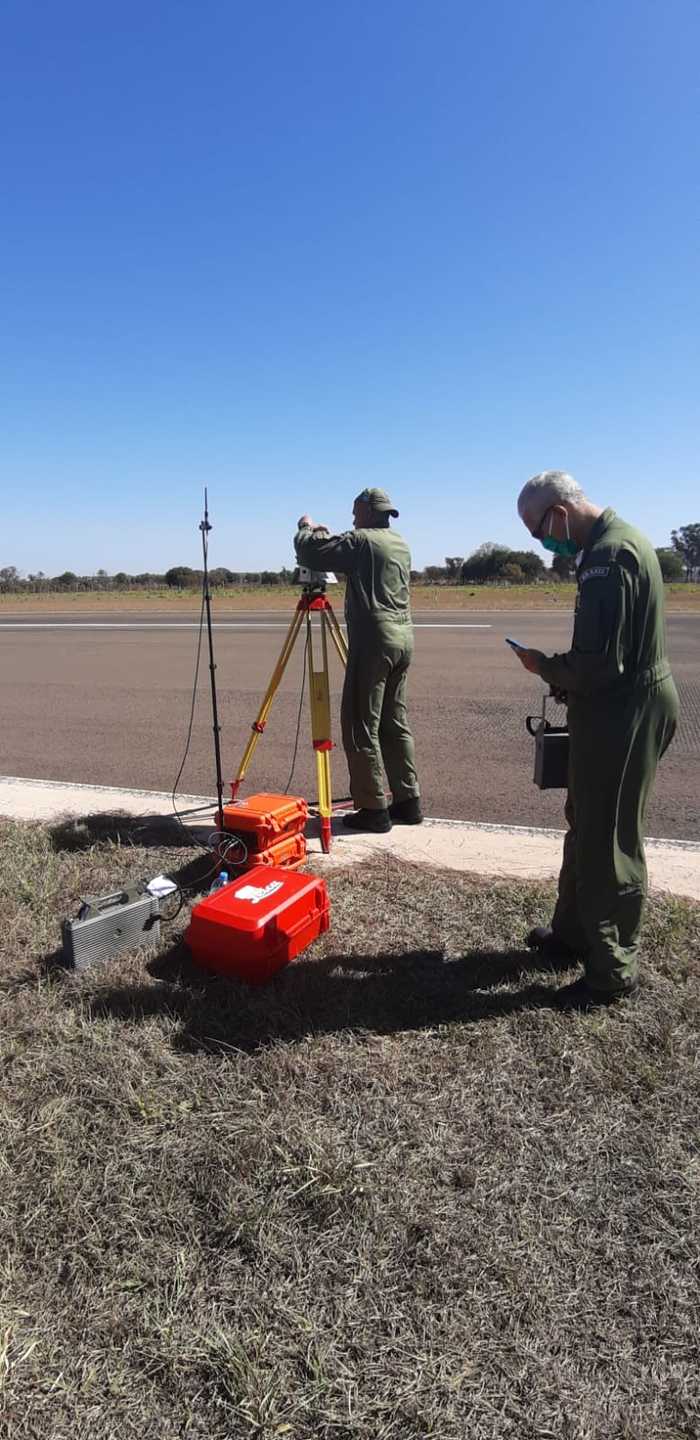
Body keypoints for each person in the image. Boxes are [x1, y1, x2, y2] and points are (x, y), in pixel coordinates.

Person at [514, 470, 679, 1005]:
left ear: (559, 513)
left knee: (609, 838)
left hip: (622, 710)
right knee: (586, 823)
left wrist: (547, 668)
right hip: (611, 704)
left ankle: (612, 970)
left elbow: (601, 662)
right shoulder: (613, 546)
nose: (541, 542)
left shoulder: (609, 558)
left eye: (539, 531)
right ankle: (574, 935)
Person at [294, 488, 421, 832]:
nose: (352, 519)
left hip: (374, 639)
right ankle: (408, 801)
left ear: (366, 512)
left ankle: (373, 808)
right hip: (403, 637)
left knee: (360, 722)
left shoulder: (361, 541)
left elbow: (311, 552)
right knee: (394, 722)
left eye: (354, 512)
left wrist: (309, 528)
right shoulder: (399, 543)